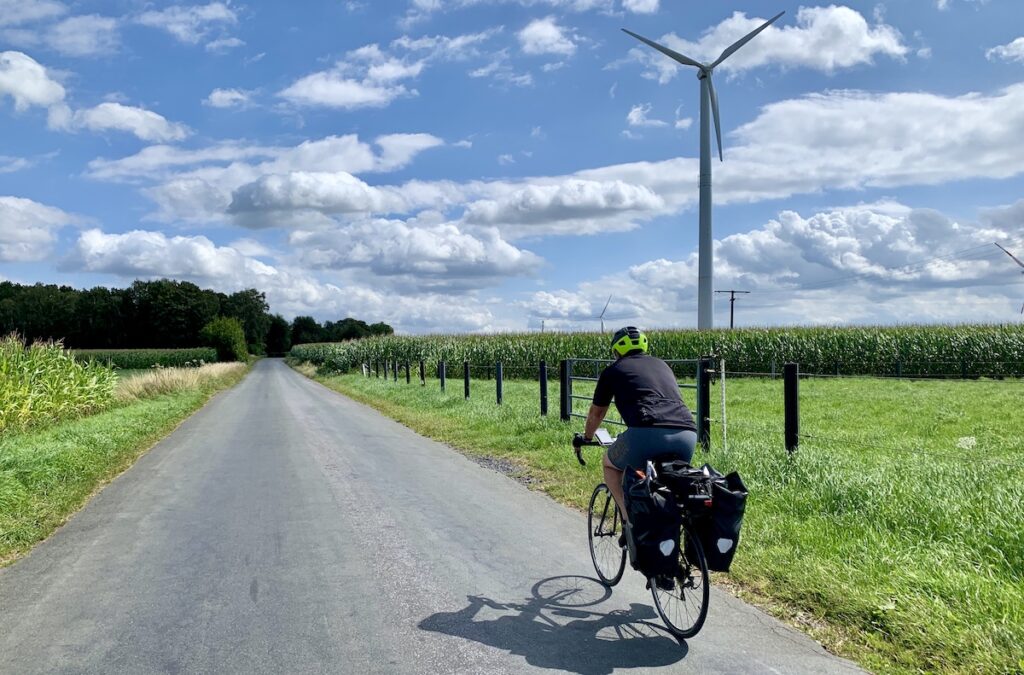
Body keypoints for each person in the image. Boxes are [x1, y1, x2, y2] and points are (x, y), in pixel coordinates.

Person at [577, 326, 698, 518]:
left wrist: (587, 437)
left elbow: (597, 413)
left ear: (617, 351)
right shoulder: (662, 365)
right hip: (688, 434)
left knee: (609, 464)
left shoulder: (613, 370)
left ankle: (628, 520)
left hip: (645, 433)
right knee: (672, 481)